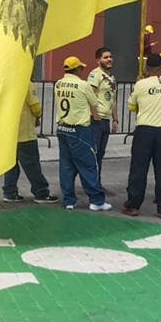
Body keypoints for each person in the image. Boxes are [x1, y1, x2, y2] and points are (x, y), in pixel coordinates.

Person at [122, 55, 161, 219]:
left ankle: (133, 204)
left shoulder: (141, 84)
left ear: (147, 68)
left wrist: (139, 85)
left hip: (145, 130)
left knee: (139, 169)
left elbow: (132, 106)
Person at [55, 56, 111, 212]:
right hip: (80, 129)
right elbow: (95, 106)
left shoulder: (58, 84)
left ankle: (69, 200)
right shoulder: (83, 85)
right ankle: (96, 200)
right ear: (77, 69)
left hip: (62, 128)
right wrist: (98, 122)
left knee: (66, 166)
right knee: (88, 165)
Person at [2, 85, 59, 204]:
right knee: (32, 165)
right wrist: (38, 115)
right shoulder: (26, 84)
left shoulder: (8, 83)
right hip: (25, 133)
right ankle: (41, 193)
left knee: (11, 165)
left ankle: (10, 193)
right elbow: (35, 107)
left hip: (10, 133)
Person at [88, 47, 118, 191]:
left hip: (106, 120)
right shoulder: (95, 75)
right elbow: (90, 95)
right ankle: (92, 184)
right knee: (93, 154)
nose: (109, 59)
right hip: (96, 120)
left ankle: (97, 183)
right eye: (106, 57)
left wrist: (115, 119)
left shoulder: (112, 78)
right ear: (98, 60)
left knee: (100, 154)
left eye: (110, 56)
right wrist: (94, 114)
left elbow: (114, 99)